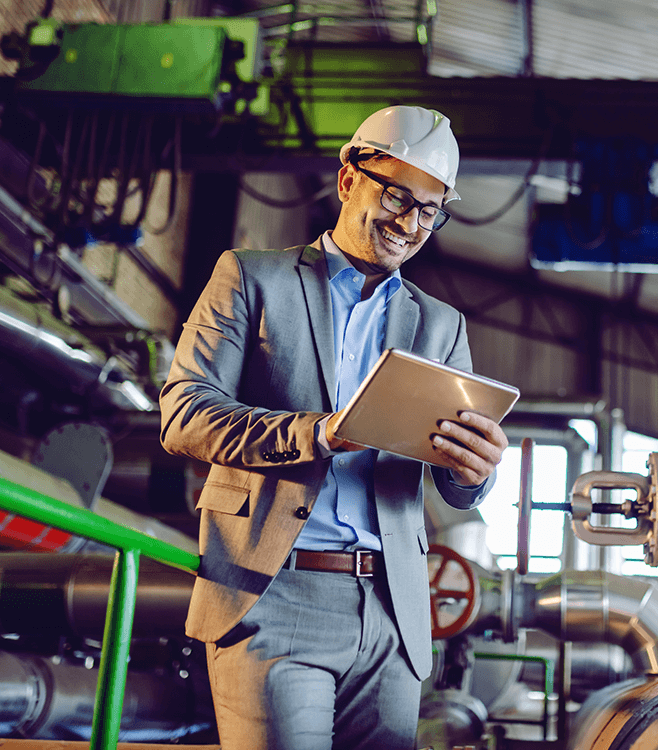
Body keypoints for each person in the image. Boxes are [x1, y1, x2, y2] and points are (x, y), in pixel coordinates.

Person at [159, 105, 509, 750]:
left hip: (394, 609)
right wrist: (318, 434)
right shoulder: (251, 278)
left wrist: (472, 474)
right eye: (396, 196)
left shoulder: (442, 327)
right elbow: (185, 415)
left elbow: (447, 483)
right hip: (273, 590)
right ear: (349, 179)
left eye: (429, 210)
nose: (409, 223)